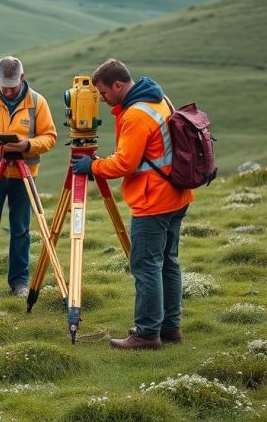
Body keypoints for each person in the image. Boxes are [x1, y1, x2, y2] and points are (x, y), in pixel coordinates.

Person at [71, 59, 194, 350]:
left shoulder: (135, 115)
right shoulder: (158, 99)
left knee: (147, 266)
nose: (102, 100)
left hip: (154, 200)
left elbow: (126, 163)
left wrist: (94, 166)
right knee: (168, 263)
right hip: (177, 194)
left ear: (118, 85)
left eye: (103, 93)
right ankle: (169, 328)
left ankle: (147, 333)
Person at [0, 56, 57, 298]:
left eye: (12, 86)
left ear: (22, 78)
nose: (8, 90)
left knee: (21, 229)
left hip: (23, 175)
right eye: (4, 85)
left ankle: (19, 282)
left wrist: (27, 145)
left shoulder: (38, 103)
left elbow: (50, 137)